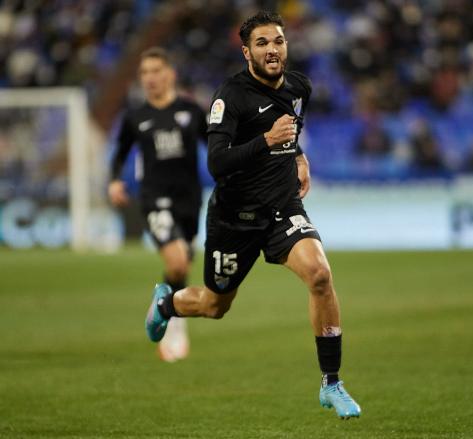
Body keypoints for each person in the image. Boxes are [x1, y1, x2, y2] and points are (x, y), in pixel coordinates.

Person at [144, 11, 362, 419]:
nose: (272, 49)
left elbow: (290, 131)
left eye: (277, 41)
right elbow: (216, 164)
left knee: (320, 275)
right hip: (234, 219)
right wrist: (267, 140)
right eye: (261, 43)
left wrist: (298, 155)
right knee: (214, 305)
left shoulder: (300, 87)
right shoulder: (230, 97)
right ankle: (168, 304)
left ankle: (331, 383)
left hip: (282, 207)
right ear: (247, 52)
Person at [109, 47, 208, 362]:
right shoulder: (136, 117)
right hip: (154, 199)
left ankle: (167, 306)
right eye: (144, 73)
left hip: (190, 200)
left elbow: (216, 147)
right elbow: (120, 152)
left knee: (183, 266)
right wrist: (114, 180)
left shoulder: (192, 112)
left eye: (155, 71)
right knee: (177, 263)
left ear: (170, 74)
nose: (149, 78)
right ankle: (175, 323)